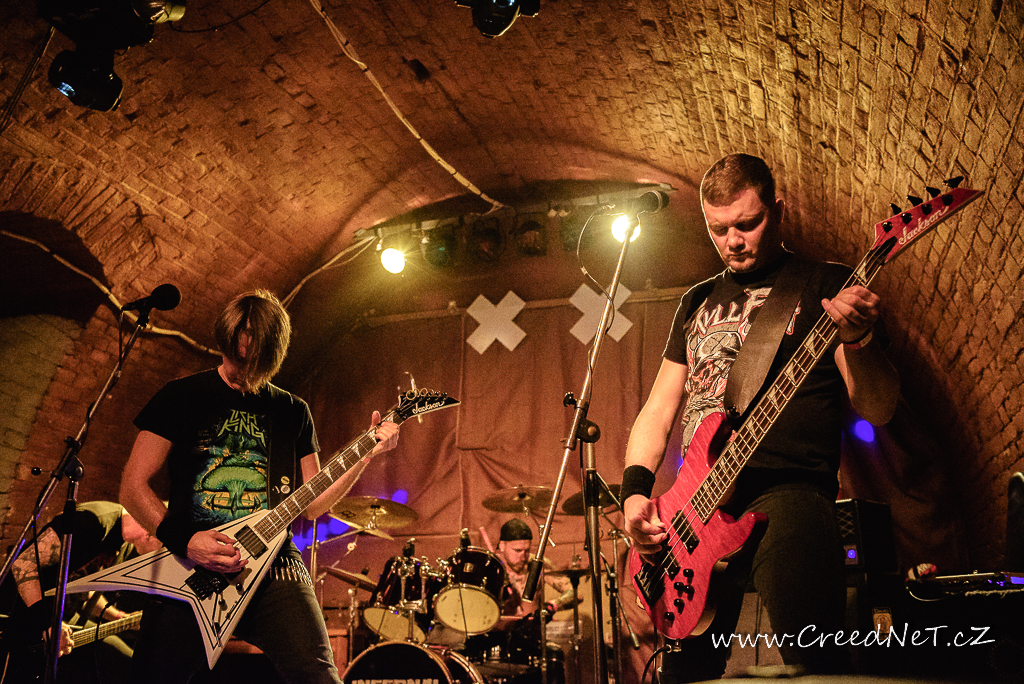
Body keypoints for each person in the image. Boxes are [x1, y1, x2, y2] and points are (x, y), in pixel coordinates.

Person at [620, 153, 900, 681]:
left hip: (789, 490)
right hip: (694, 508)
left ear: (779, 211)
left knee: (816, 661)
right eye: (718, 229)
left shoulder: (827, 284)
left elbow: (878, 407)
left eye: (747, 224)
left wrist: (859, 339)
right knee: (685, 676)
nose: (733, 241)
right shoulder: (697, 301)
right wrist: (635, 494)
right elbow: (658, 409)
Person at [118, 289, 400, 684]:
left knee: (319, 677)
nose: (245, 352)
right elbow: (132, 488)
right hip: (189, 565)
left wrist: (365, 455)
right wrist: (186, 541)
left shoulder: (292, 411)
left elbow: (314, 503)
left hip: (275, 566)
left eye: (256, 344)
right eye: (239, 340)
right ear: (226, 336)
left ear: (274, 349)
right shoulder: (180, 396)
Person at [6, 500, 162, 683]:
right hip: (26, 622)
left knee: (130, 665)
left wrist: (119, 617)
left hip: (65, 624)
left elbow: (82, 591)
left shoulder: (123, 542)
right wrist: (49, 623)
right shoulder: (91, 522)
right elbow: (22, 565)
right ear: (151, 531)